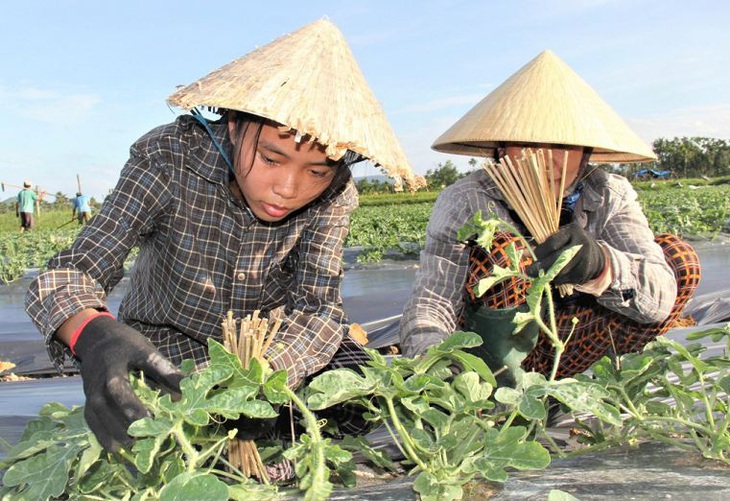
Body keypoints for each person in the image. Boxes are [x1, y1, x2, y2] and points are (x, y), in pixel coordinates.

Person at [25, 19, 415, 458]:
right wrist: (92, 333)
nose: (288, 187)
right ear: (231, 125)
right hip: (165, 352)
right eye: (271, 157)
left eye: (317, 172)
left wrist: (261, 377)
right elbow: (71, 270)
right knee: (148, 437)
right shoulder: (169, 159)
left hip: (268, 352)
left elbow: (318, 308)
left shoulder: (336, 196)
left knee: (357, 394)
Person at [399, 50, 701, 386]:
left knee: (679, 260)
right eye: (526, 142)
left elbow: (660, 298)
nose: (543, 159)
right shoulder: (467, 200)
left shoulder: (608, 193)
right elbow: (433, 300)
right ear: (501, 148)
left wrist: (602, 266)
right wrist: (433, 361)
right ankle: (495, 392)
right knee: (504, 250)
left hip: (570, 342)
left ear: (586, 151)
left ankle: (579, 387)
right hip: (487, 353)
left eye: (560, 144)